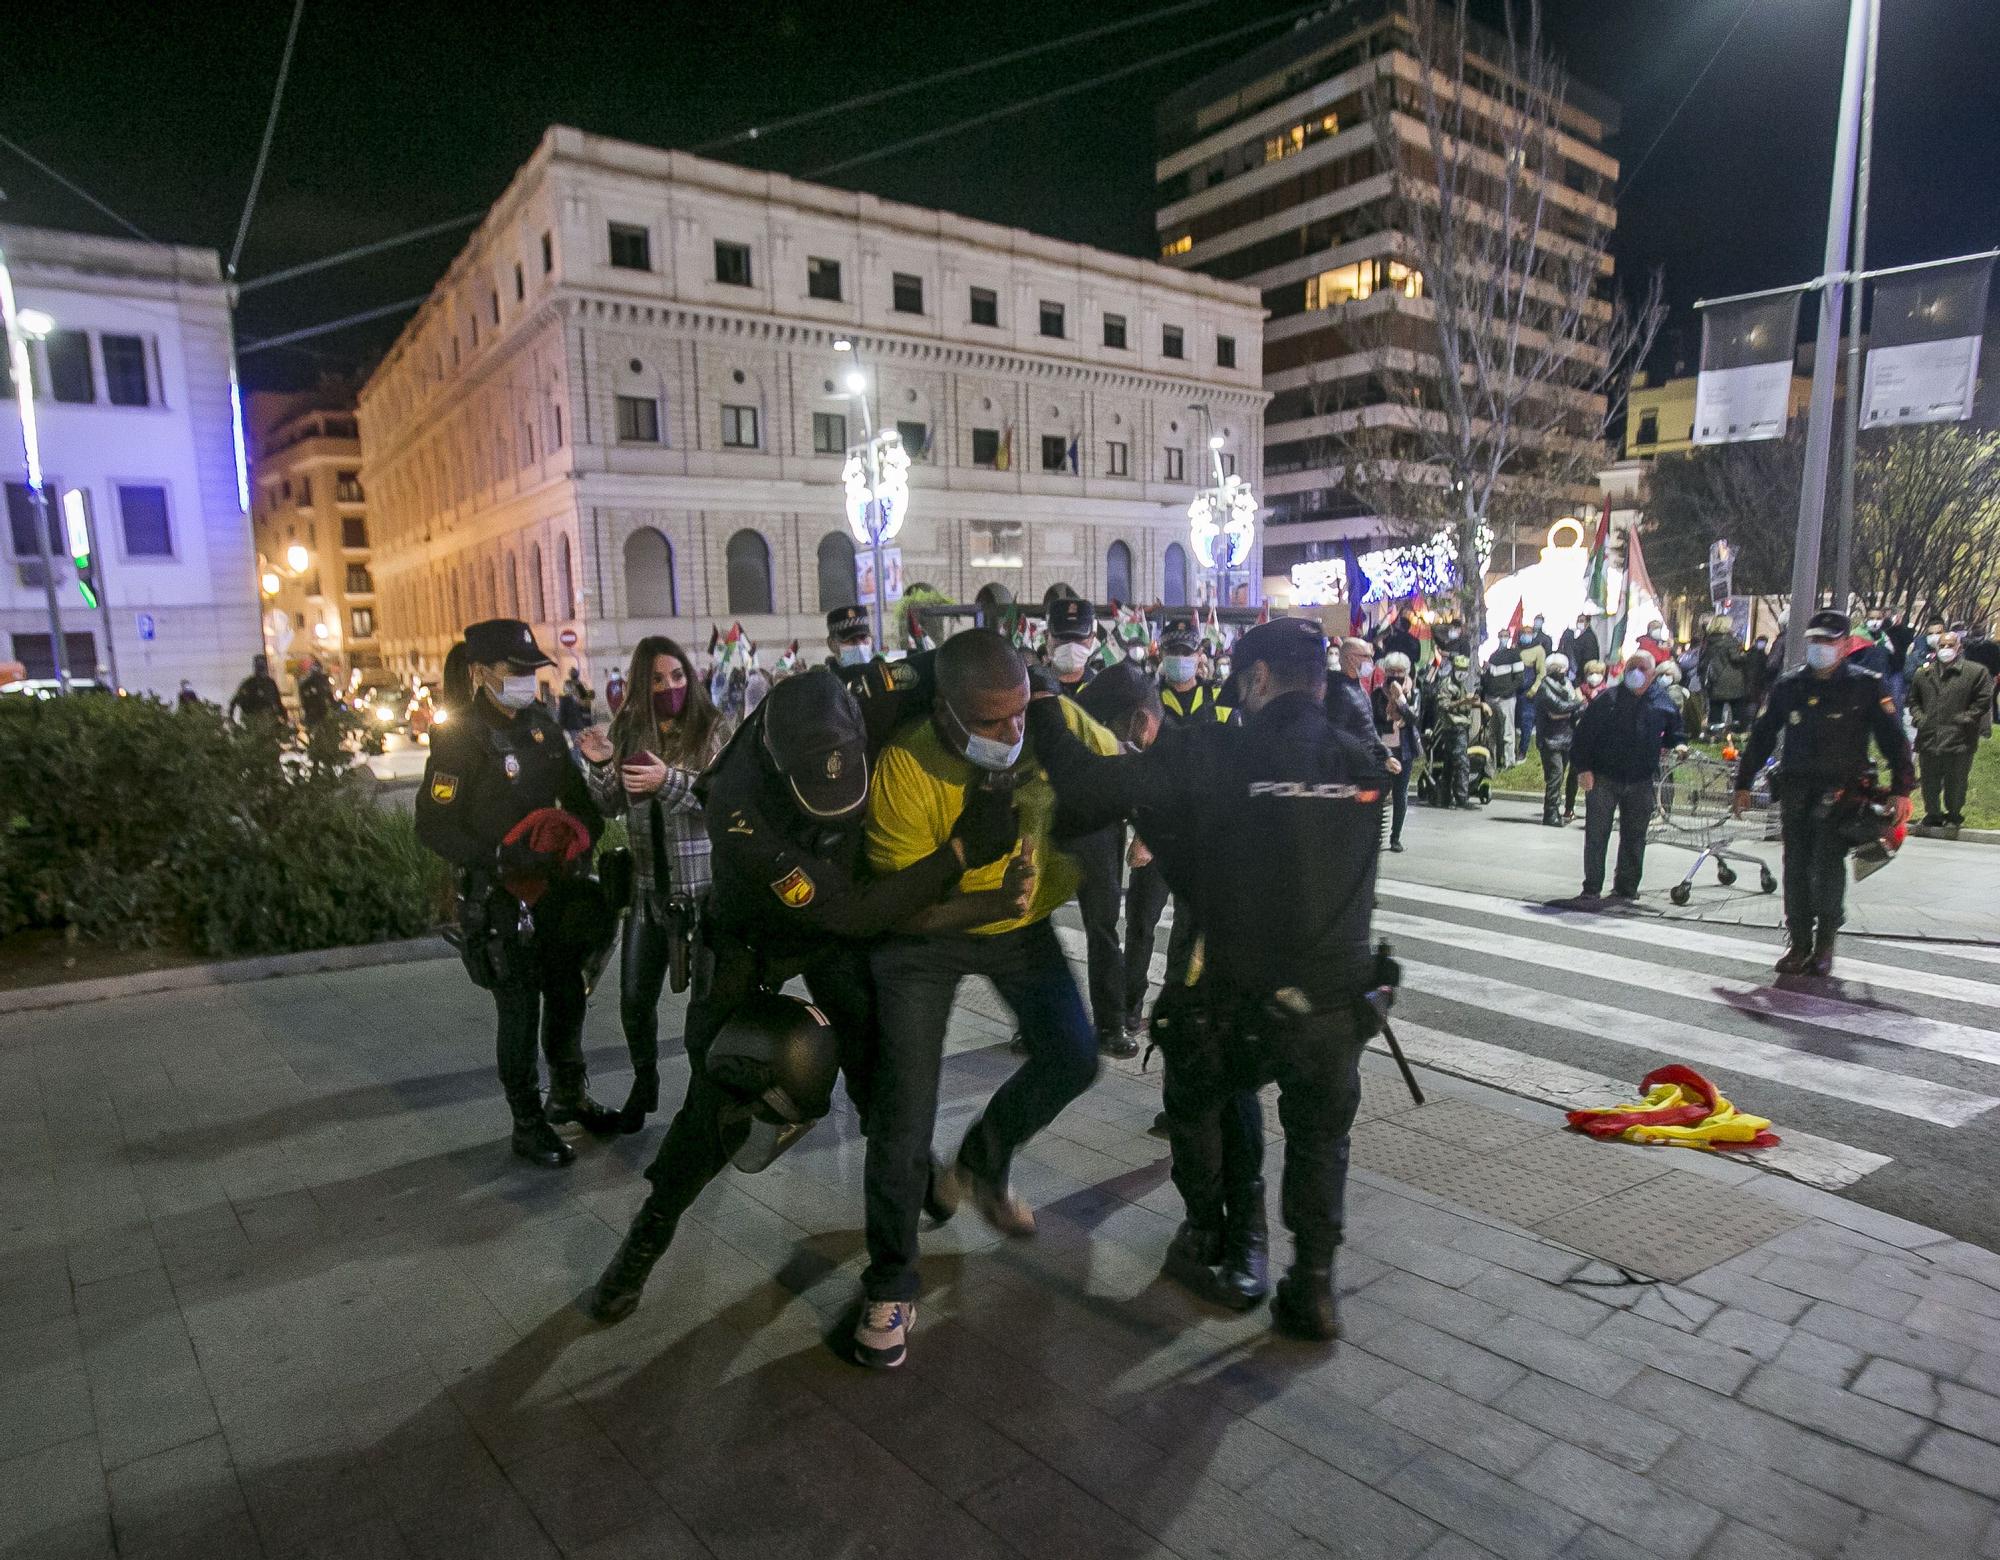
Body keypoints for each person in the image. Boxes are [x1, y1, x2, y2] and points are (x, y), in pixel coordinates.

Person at [585, 667, 1026, 1326]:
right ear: (777, 762)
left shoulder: (868, 698)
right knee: (718, 1096)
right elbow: (846, 912)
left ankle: (914, 1169)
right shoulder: (737, 806)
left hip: (831, 938)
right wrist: (958, 853)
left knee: (878, 1064)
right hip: (750, 941)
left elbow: (964, 677)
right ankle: (648, 1233)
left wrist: (1016, 718)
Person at [1031, 616, 1389, 1340]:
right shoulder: (1362, 759)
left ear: (1255, 679)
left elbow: (1083, 783)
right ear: (1320, 683)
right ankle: (1313, 1286)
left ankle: (1214, 1237)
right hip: (1339, 1001)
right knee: (1322, 1138)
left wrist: (1040, 706)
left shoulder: (1218, 751)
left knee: (1201, 1096)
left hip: (1239, 994)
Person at [857, 630, 1120, 1367]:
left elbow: (1126, 769)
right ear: (945, 713)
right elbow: (900, 912)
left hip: (1020, 927)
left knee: (1073, 1053)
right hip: (925, 937)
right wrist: (989, 895)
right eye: (990, 722)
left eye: (1020, 715)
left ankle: (979, 1162)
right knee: (903, 1110)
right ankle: (889, 1280)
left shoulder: (1052, 722)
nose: (1014, 734)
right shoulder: (906, 766)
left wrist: (1155, 816)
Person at [416, 618, 619, 1168]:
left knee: (569, 994)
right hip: (499, 898)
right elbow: (433, 826)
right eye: (515, 670)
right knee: (519, 1010)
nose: (527, 680)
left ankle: (569, 1096)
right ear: (481, 673)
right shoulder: (459, 737)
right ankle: (527, 1125)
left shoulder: (543, 729)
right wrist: (501, 858)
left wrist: (579, 840)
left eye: (533, 670)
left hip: (553, 891)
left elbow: (578, 802)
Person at [577, 636, 727, 1132]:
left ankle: (704, 1104)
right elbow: (610, 805)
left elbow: (721, 800)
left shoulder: (711, 726)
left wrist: (669, 782)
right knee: (634, 997)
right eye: (659, 680)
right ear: (642, 684)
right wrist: (600, 763)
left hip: (702, 892)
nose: (671, 687)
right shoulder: (630, 729)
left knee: (704, 1011)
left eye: (678, 676)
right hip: (647, 890)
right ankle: (645, 1085)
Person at [1736, 611, 1913, 973]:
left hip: (1842, 793)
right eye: (1815, 641)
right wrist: (1743, 782)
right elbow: (1763, 734)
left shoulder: (1866, 685)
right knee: (1795, 867)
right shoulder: (1789, 685)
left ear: (1846, 644)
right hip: (1797, 789)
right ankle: (1799, 941)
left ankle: (1825, 943)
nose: (1820, 648)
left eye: (1828, 641)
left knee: (1826, 866)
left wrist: (1901, 790)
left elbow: (1895, 742)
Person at [1121, 621, 1230, 1049]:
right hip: (1155, 834)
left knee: (1189, 932)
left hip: (1200, 840)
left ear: (1200, 654)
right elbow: (1132, 768)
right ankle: (1130, 1011)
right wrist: (1141, 830)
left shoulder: (1220, 699)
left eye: (1187, 650)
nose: (1180, 658)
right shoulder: (1144, 701)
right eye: (1173, 650)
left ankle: (1175, 1009)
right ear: (1161, 654)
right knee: (1141, 928)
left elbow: (1225, 766)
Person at [1570, 650, 1683, 903]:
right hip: (1604, 778)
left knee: (1634, 836)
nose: (1636, 673)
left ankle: (1626, 887)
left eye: (1642, 668)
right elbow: (1583, 736)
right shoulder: (1608, 700)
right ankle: (1592, 887)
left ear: (1652, 674)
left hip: (1640, 779)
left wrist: (1680, 745)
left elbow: (1676, 731)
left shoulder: (1661, 702)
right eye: (1632, 667)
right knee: (1597, 835)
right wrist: (1583, 769)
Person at [1908, 631, 1992, 836]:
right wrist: (1921, 719)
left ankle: (1954, 815)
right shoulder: (1924, 673)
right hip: (1930, 736)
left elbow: (1983, 700)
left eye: (1950, 645)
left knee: (1956, 780)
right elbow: (1913, 701)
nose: (1946, 650)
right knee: (1929, 779)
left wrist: (1966, 718)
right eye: (1942, 646)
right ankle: (1933, 814)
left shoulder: (1975, 672)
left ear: (1959, 648)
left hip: (1960, 738)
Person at [1374, 651, 1419, 850]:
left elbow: (1413, 718)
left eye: (1399, 672)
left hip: (1404, 749)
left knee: (1400, 794)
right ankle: (1375, 835)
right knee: (1379, 794)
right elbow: (1376, 720)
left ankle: (1395, 837)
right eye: (1391, 671)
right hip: (1384, 749)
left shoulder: (1414, 693)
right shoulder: (1377, 694)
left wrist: (1400, 699)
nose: (1395, 675)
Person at [1534, 653, 1585, 827]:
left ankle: (1559, 809)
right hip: (1550, 738)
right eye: (1557, 668)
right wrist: (1576, 705)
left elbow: (1570, 710)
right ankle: (1550, 812)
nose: (1561, 671)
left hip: (1567, 737)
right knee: (1555, 775)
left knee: (1562, 774)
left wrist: (1571, 710)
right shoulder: (1545, 688)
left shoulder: (1567, 685)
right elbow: (1557, 708)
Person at [1698, 617, 1750, 735]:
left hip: (1714, 679)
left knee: (1716, 708)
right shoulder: (1730, 640)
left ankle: (1713, 733)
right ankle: (1737, 733)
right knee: (1737, 708)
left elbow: (1703, 661)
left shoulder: (1708, 640)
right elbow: (1735, 658)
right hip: (1731, 680)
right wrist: (1745, 655)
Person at [1481, 629, 1524, 765]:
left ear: (1509, 638)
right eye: (1501, 636)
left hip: (1506, 699)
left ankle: (1509, 761)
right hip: (1491, 698)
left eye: (1505, 636)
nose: (1503, 639)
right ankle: (1493, 761)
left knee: (1508, 732)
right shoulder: (1493, 656)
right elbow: (1488, 677)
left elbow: (1519, 679)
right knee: (1492, 732)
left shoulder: (1514, 655)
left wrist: (1507, 692)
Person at [228, 654, 284, 725]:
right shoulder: (249, 683)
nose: (261, 670)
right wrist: (231, 719)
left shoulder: (270, 683)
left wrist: (283, 717)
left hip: (267, 719)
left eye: (262, 666)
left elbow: (278, 702)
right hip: (253, 719)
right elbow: (235, 701)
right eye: (259, 666)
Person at [825, 604, 875, 671]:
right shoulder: (826, 680)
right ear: (832, 645)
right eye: (851, 640)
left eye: (863, 638)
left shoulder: (883, 675)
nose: (860, 646)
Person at [297, 659, 335, 729]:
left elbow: (328, 693)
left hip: (319, 710)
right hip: (315, 710)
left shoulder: (319, 679)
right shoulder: (306, 681)